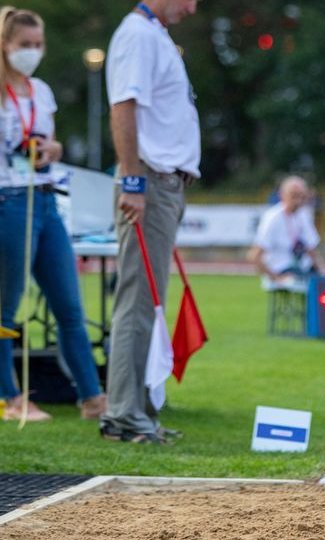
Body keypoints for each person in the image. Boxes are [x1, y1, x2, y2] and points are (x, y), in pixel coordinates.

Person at [99, 0, 199, 444]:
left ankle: (136, 410)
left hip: (162, 182)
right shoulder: (138, 35)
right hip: (150, 181)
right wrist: (134, 181)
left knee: (148, 302)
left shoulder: (152, 34)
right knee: (138, 301)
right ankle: (123, 414)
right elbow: (123, 108)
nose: (194, 7)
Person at [0, 7, 106, 422]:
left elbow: (52, 141)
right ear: (5, 45)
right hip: (8, 202)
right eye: (24, 45)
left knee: (69, 307)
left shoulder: (41, 90)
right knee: (6, 309)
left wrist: (53, 151)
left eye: (38, 45)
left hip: (47, 199)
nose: (32, 52)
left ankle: (92, 398)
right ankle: (10, 399)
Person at [248, 175, 323, 288]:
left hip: (302, 268)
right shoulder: (273, 218)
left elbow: (311, 248)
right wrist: (276, 277)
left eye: (302, 197)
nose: (298, 201)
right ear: (282, 195)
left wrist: (323, 272)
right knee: (306, 283)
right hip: (282, 269)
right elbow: (255, 256)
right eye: (294, 196)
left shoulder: (304, 214)